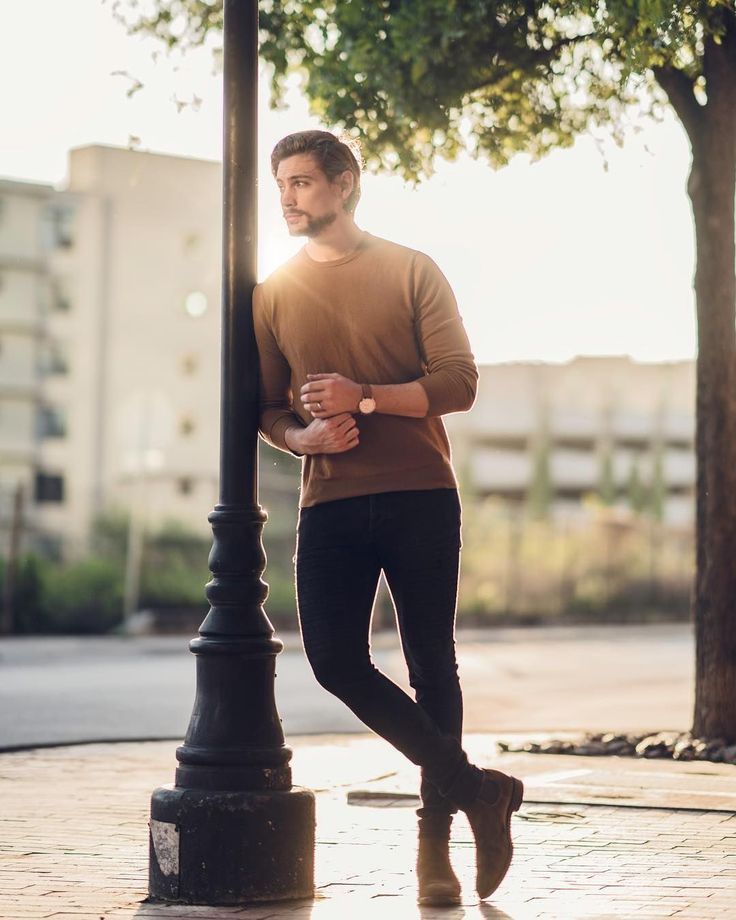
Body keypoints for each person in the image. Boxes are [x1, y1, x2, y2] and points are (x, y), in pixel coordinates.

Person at [253, 129, 523, 906]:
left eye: (302, 182)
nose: (289, 197)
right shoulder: (272, 292)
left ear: (343, 184)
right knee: (335, 660)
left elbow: (458, 382)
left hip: (419, 493)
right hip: (329, 500)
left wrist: (363, 397)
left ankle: (432, 851)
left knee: (432, 664)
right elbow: (269, 407)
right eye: (282, 184)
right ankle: (479, 791)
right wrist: (303, 436)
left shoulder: (411, 270)